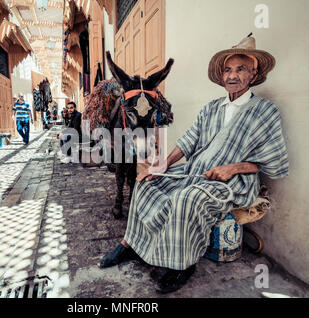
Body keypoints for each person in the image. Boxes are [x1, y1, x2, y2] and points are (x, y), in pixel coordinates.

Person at [98, 35, 289, 294]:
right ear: (222, 76)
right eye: (228, 70)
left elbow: (273, 162)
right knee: (146, 182)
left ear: (253, 75)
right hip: (195, 171)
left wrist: (232, 168)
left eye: (241, 69)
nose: (233, 76)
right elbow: (188, 141)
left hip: (232, 182)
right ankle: (130, 244)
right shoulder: (211, 108)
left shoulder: (266, 112)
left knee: (186, 199)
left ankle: (182, 265)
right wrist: (163, 165)